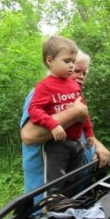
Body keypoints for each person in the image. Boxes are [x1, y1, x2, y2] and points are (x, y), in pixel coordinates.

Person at [20, 40, 110, 203]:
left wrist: (96, 144)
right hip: (45, 203)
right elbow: (28, 135)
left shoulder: (72, 94)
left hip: (76, 194)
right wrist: (75, 112)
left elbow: (76, 127)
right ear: (52, 63)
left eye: (84, 73)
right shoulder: (40, 92)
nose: (81, 77)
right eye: (76, 70)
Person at [28, 36, 94, 195]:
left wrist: (90, 134)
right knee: (56, 181)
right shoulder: (42, 88)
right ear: (50, 61)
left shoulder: (72, 86)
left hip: (76, 144)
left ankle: (67, 199)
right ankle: (52, 202)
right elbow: (31, 128)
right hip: (57, 144)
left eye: (74, 63)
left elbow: (84, 113)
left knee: (72, 179)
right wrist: (54, 124)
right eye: (69, 63)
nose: (73, 67)